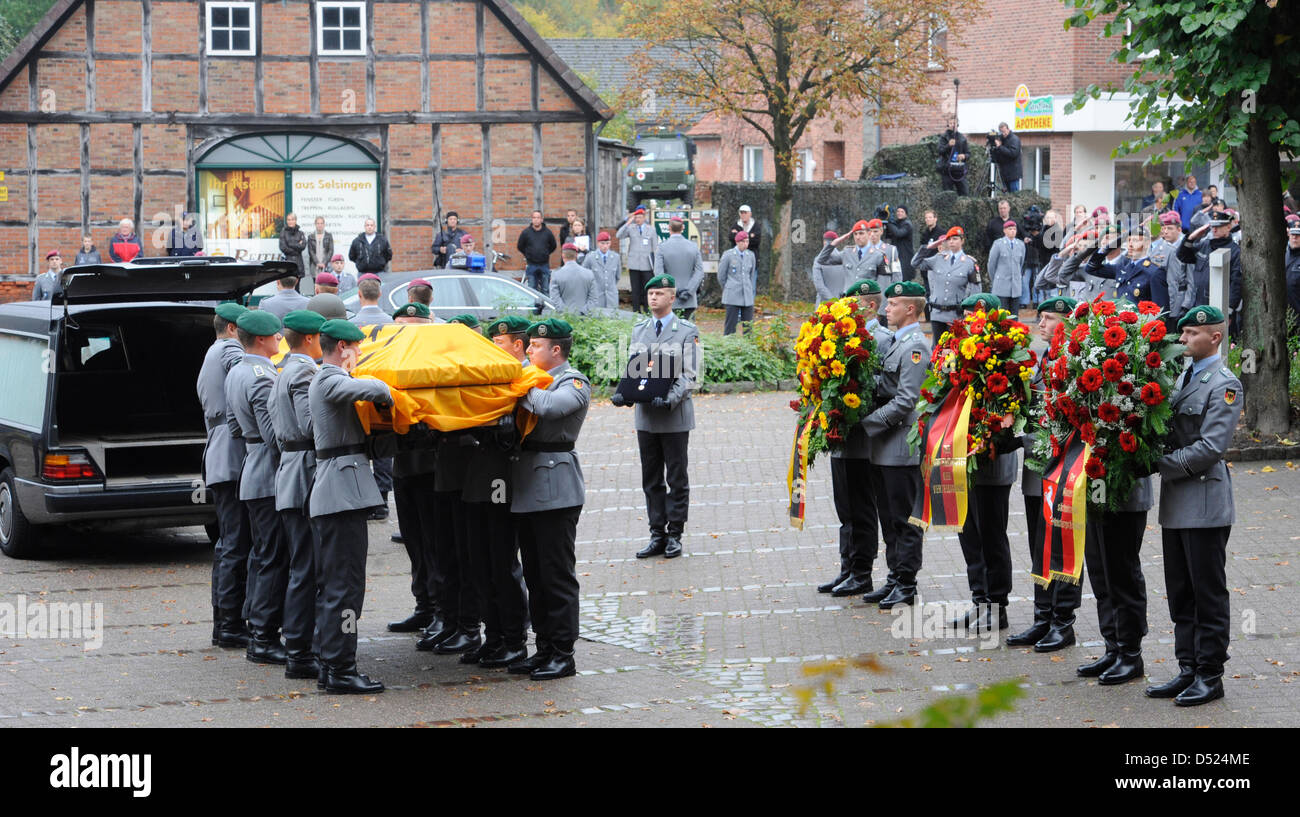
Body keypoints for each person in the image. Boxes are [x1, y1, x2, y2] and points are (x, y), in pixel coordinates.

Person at [1146, 305, 1242, 706]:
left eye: (1189, 333)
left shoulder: (1224, 383)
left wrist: (1156, 463)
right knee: (1181, 592)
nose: (1181, 339)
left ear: (1214, 336)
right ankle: (1187, 667)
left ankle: (1210, 673)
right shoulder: (1183, 374)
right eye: (1182, 333)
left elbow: (1210, 448)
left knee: (1208, 594)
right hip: (1177, 503)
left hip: (1203, 500)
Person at [308, 319, 394, 693]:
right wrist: (385, 389)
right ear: (342, 348)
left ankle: (331, 662)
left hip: (342, 491)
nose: (358, 355)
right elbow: (371, 388)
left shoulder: (327, 378)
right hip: (340, 494)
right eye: (356, 348)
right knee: (345, 588)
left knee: (337, 586)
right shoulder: (328, 378)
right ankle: (341, 668)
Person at [507, 318, 590, 680]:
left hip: (557, 487)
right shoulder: (533, 378)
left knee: (556, 576)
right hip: (527, 485)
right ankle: (543, 647)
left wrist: (519, 383)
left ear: (556, 350)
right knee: (535, 574)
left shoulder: (573, 382)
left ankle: (563, 652)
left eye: (535, 347)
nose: (528, 351)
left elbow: (548, 407)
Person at [1005, 297, 1082, 652]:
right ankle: (1043, 616)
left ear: (1066, 324)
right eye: (1041, 317)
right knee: (1040, 547)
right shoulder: (1043, 359)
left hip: (1063, 470)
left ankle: (1063, 621)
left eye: (1049, 319)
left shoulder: (1075, 363)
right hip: (1038, 470)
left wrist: (1025, 437)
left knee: (1062, 546)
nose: (1041, 324)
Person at [462, 314, 534, 667]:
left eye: (500, 343)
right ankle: (493, 636)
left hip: (502, 480)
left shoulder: (525, 378)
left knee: (503, 561)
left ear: (517, 346)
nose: (493, 348)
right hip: (478, 478)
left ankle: (514, 638)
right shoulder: (490, 375)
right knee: (481, 562)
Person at [611, 275, 699, 560]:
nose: (653, 298)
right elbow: (637, 370)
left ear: (672, 298)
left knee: (676, 476)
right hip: (647, 416)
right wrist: (625, 395)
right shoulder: (640, 330)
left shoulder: (686, 330)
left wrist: (669, 399)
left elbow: (690, 374)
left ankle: (675, 534)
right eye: (650, 294)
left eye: (660, 293)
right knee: (651, 479)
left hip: (673, 416)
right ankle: (656, 533)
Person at [818, 278, 892, 597]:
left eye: (855, 305)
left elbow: (886, 385)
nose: (848, 310)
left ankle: (862, 571)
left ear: (871, 306)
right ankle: (847, 566)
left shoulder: (884, 339)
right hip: (841, 434)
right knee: (844, 506)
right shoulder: (841, 336)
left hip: (864, 436)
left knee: (861, 507)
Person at [860, 281, 930, 609]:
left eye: (892, 305)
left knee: (904, 520)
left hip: (901, 445)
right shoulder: (895, 342)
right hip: (884, 446)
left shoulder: (915, 345)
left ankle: (907, 582)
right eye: (887, 305)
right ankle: (894, 576)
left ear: (910, 309)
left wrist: (867, 424)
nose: (886, 309)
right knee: (888, 518)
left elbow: (906, 400)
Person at [224, 309, 287, 665]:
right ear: (262, 339)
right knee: (273, 558)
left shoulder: (237, 371)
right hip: (268, 475)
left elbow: (235, 428)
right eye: (276, 335)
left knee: (262, 554)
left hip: (252, 467)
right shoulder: (263, 375)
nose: (280, 339)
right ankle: (263, 636)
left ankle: (257, 626)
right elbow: (274, 434)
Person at [951, 294, 1017, 632]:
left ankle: (997, 605)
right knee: (969, 534)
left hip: (991, 464)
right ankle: (979, 600)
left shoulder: (1006, 357)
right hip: (961, 460)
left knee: (992, 535)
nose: (967, 320)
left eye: (974, 314)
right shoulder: (955, 354)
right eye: (964, 314)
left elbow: (1013, 412)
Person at [268, 309, 326, 681]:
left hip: (290, 469)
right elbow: (310, 423)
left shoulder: (283, 368)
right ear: (309, 339)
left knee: (300, 567)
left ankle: (299, 648)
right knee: (308, 568)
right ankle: (302, 652)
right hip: (304, 472)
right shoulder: (304, 370)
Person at [198, 302, 253, 649]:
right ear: (233, 328)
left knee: (227, 544)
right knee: (236, 544)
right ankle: (231, 624)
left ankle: (225, 622)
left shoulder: (212, 350)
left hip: (219, 454)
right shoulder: (231, 349)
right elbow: (243, 380)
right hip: (231, 453)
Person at [1176, 210, 1241, 330]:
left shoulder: (1235, 251)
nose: (1214, 230)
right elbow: (1183, 256)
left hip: (1219, 307)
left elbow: (1236, 283)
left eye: (1218, 226)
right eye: (1212, 226)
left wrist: (1229, 310)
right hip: (1199, 303)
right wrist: (1191, 237)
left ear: (1228, 227)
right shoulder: (1205, 245)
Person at [912, 225, 980, 341]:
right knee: (937, 348)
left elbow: (976, 289)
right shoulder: (938, 259)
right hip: (937, 313)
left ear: (962, 241)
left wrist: (970, 308)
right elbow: (915, 263)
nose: (952, 242)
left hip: (955, 315)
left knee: (954, 347)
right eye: (949, 239)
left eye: (955, 239)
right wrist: (927, 248)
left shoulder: (969, 263)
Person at [1085, 227, 1169, 311]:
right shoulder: (1122, 268)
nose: (1130, 244)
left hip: (1141, 322)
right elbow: (1091, 268)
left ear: (1147, 243)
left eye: (1136, 241)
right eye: (1128, 240)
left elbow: (1160, 310)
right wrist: (1106, 248)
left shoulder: (1154, 272)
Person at [654, 217, 705, 321]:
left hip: (669, 298)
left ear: (669, 228)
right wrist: (689, 290)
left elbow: (659, 274)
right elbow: (699, 272)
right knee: (689, 331)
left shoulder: (662, 248)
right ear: (683, 228)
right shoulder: (693, 247)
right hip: (689, 299)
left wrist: (673, 290)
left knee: (670, 332)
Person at [817, 220, 889, 290]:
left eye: (861, 233)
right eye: (855, 234)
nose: (858, 237)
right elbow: (821, 260)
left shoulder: (879, 255)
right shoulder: (847, 253)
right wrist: (834, 243)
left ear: (869, 233)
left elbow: (884, 284)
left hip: (868, 300)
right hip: (848, 299)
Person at [1150, 211, 1190, 322]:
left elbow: (1187, 281)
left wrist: (1184, 305)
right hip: (1162, 297)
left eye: (1170, 228)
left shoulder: (1185, 248)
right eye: (1164, 228)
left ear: (1179, 230)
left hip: (1179, 298)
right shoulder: (1158, 249)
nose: (1166, 232)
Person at [617, 207, 659, 312]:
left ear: (644, 218)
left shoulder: (651, 229)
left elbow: (655, 247)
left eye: (640, 217)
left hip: (647, 264)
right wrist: (627, 223)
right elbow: (618, 235)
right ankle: (636, 310)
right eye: (636, 217)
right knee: (635, 288)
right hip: (634, 263)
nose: (638, 219)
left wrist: (656, 264)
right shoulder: (631, 228)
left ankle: (647, 308)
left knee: (647, 287)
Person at [717, 231, 758, 335]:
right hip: (732, 295)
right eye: (743, 241)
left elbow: (751, 275)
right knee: (730, 327)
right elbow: (721, 275)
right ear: (738, 242)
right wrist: (728, 288)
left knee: (748, 328)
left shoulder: (751, 255)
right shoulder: (728, 255)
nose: (746, 243)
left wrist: (749, 288)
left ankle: (748, 348)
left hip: (747, 296)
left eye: (747, 241)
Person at [549, 243, 599, 314]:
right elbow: (594, 298)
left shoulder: (556, 274)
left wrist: (566, 312)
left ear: (563, 255)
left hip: (564, 318)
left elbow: (555, 299)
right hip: (585, 318)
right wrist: (583, 312)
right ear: (576, 255)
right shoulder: (589, 273)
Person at [988, 219, 1026, 313]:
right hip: (1001, 286)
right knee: (1002, 315)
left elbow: (1021, 263)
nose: (1012, 231)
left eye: (1014, 229)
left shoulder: (1020, 245)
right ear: (1004, 230)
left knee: (1014, 316)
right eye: (1010, 229)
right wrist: (996, 279)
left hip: (1015, 287)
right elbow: (991, 265)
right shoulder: (998, 244)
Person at [517, 210, 557, 293]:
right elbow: (520, 246)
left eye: (538, 217)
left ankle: (546, 306)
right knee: (531, 290)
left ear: (542, 219)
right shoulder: (526, 232)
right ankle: (533, 306)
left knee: (545, 290)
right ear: (532, 219)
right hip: (531, 265)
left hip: (544, 265)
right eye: (534, 217)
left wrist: (545, 253)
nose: (536, 220)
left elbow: (553, 245)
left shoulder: (548, 232)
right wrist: (528, 254)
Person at [582, 231, 621, 310]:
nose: (605, 246)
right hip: (596, 296)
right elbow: (584, 275)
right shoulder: (590, 257)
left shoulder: (616, 257)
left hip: (611, 296)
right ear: (598, 243)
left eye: (607, 243)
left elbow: (617, 276)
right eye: (602, 243)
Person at [810, 231, 848, 303]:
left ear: (824, 242)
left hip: (824, 303)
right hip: (842, 302)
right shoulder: (843, 258)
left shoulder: (818, 260)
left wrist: (832, 300)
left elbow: (819, 286)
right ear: (836, 243)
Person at [863, 219, 902, 285]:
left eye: (875, 231)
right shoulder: (862, 250)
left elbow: (897, 275)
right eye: (870, 231)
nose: (872, 234)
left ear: (881, 231)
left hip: (884, 291)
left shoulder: (891, 250)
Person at [936, 121, 970, 195]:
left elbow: (968, 153)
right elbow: (940, 151)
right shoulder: (944, 137)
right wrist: (948, 145)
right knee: (948, 194)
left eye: (954, 123)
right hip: (947, 169)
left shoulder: (962, 138)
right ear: (948, 124)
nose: (953, 125)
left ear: (957, 124)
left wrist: (964, 156)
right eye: (951, 123)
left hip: (959, 170)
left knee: (964, 192)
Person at [990, 122, 1022, 192]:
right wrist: (995, 148)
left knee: (1014, 196)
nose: (1003, 134)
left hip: (1013, 174)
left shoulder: (1014, 139)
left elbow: (1013, 153)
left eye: (1004, 131)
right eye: (1001, 132)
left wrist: (1000, 147)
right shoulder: (1001, 140)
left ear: (1008, 129)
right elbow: (997, 158)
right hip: (1004, 175)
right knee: (1006, 198)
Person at [885, 206, 915, 280]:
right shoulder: (896, 224)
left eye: (902, 212)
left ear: (906, 214)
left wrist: (889, 222)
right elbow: (888, 236)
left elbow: (898, 233)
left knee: (903, 279)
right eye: (898, 211)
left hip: (905, 258)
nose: (899, 213)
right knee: (893, 278)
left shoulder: (907, 224)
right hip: (895, 256)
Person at [1286, 224, 1300, 331]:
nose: (1294, 237)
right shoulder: (1283, 255)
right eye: (1292, 234)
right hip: (1283, 316)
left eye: (1298, 235)